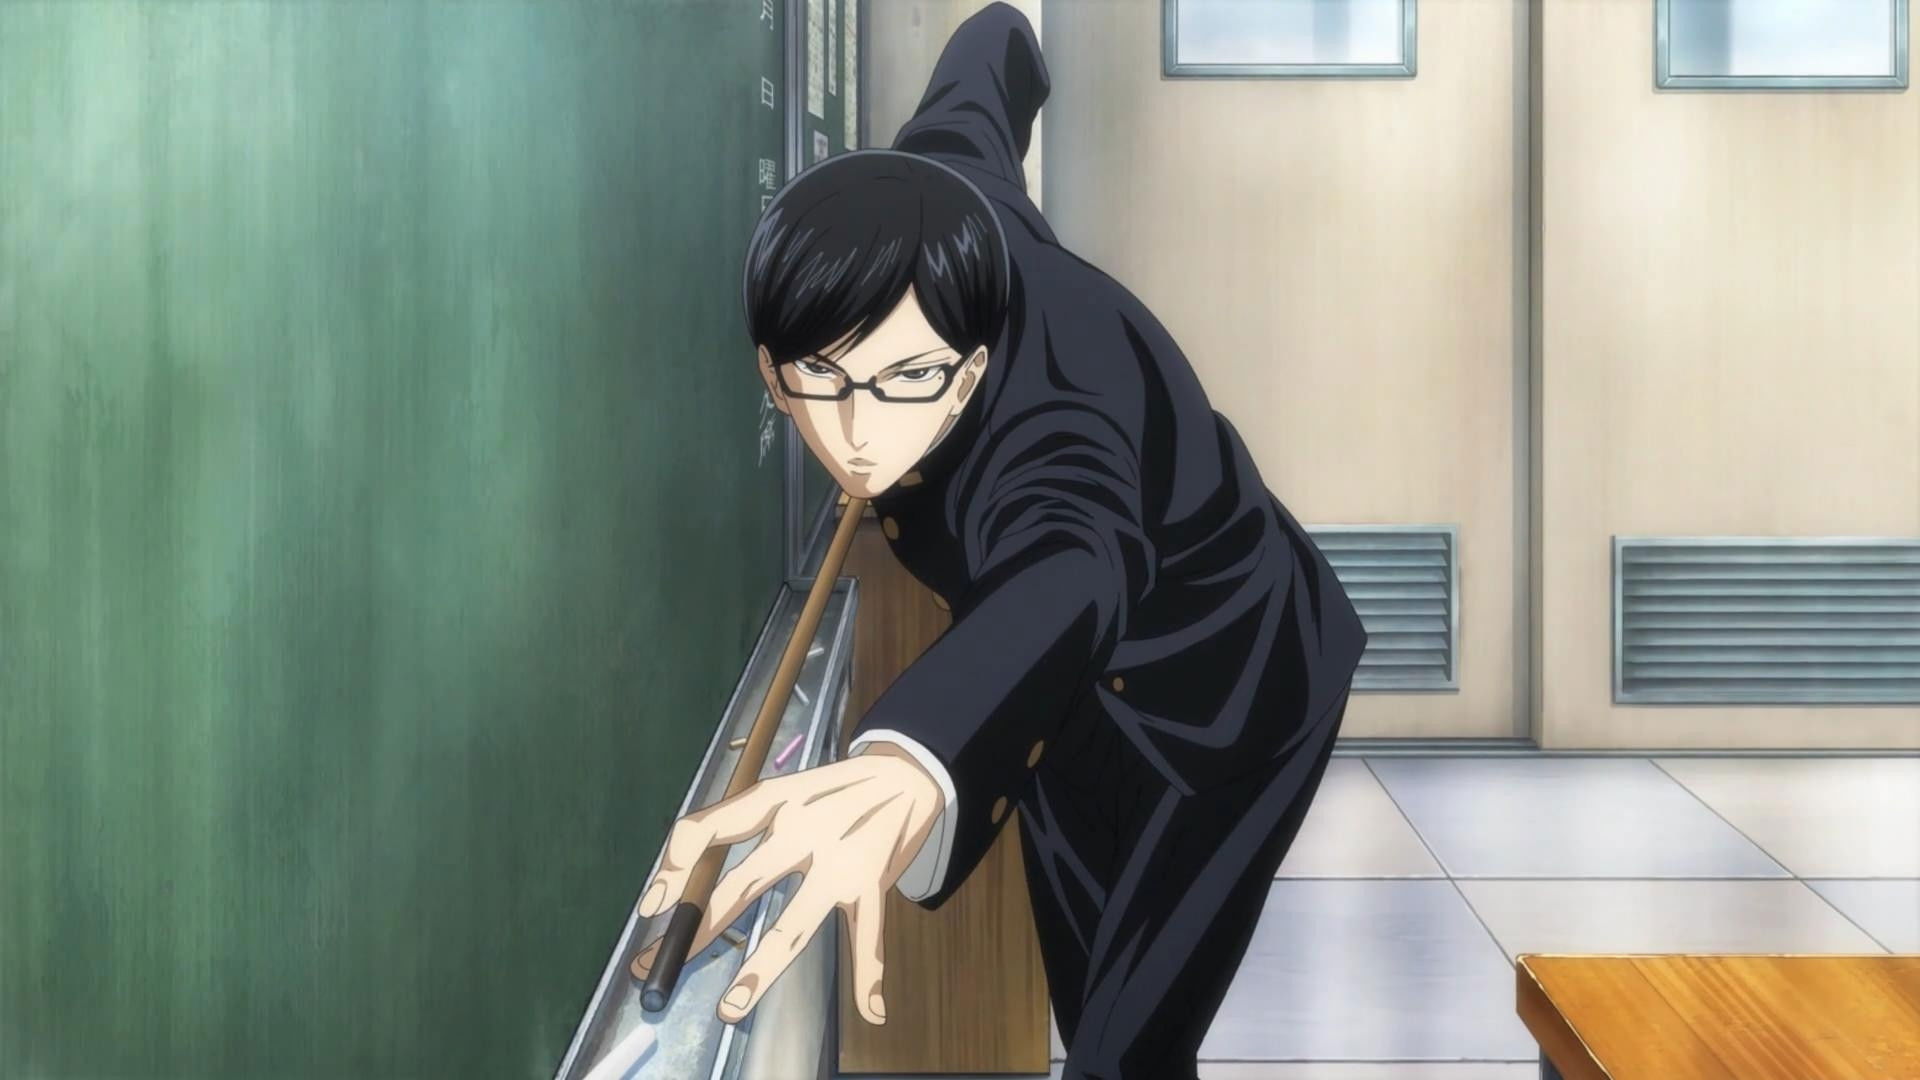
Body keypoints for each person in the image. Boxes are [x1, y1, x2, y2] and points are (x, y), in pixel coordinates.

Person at [631, 5, 1369, 1076]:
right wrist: (1011, 23)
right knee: (1084, 992)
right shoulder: (937, 187)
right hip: (1069, 700)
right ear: (771, 372)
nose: (857, 433)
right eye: (820, 381)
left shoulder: (1053, 429)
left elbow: (1070, 565)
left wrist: (910, 758)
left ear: (970, 368)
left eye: (907, 380)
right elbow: (984, 70)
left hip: (1232, 686)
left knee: (1127, 1049)